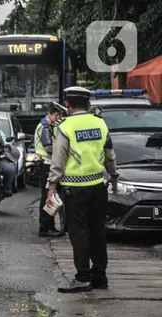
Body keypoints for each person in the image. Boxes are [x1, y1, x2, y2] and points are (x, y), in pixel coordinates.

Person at [47, 86, 119, 293]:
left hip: (74, 189)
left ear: (67, 104)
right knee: (98, 231)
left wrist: (51, 186)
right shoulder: (100, 124)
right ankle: (100, 277)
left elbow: (58, 159)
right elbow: (110, 155)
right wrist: (113, 177)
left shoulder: (66, 126)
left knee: (79, 233)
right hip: (98, 187)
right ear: (88, 105)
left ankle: (82, 277)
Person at [35, 106, 63, 237]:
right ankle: (45, 228)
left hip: (48, 164)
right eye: (58, 116)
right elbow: (48, 147)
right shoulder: (45, 128)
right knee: (47, 195)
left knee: (50, 195)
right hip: (46, 164)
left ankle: (49, 226)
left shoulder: (49, 126)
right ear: (52, 114)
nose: (59, 118)